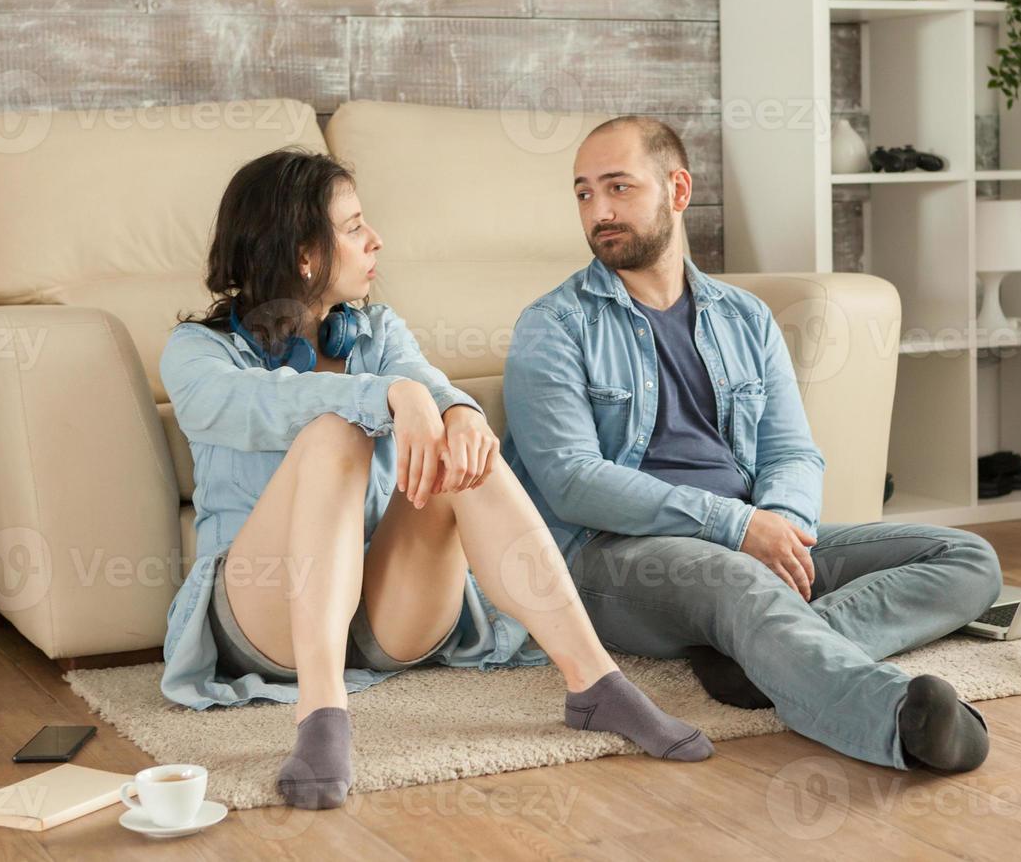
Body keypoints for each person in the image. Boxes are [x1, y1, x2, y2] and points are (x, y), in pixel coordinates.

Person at [158, 148, 715, 811]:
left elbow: (434, 389)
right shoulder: (197, 353)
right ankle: (321, 714)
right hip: (263, 619)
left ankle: (595, 684)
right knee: (334, 428)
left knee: (461, 442)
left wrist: (453, 410)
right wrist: (387, 395)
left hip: (387, 615)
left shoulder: (376, 331)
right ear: (305, 253)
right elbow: (257, 407)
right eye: (355, 226)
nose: (376, 240)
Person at [500, 117, 1006, 773]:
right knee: (738, 579)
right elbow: (572, 481)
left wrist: (786, 532)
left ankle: (754, 656)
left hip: (752, 534)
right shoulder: (553, 325)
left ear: (677, 190)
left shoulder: (743, 316)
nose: (599, 212)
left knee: (966, 557)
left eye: (618, 188)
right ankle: (895, 722)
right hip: (614, 557)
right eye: (584, 194)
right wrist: (738, 527)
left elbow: (792, 452)